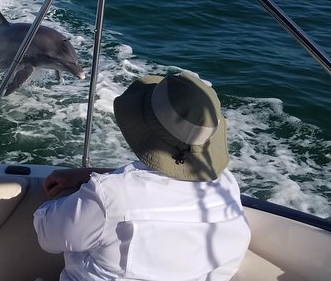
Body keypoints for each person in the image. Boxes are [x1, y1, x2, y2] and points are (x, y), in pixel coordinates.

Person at [33, 72, 251, 281]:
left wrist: (90, 189)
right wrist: (90, 175)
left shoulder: (109, 196)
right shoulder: (227, 185)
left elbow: (47, 233)